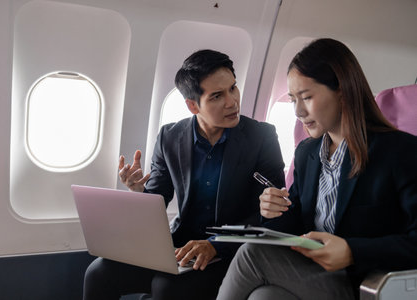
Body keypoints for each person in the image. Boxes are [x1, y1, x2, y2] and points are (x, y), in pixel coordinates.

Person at [216, 38, 417, 300]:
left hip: (368, 284)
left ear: (342, 90)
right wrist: (274, 211)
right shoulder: (307, 153)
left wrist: (351, 251)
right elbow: (297, 225)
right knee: (264, 297)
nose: (298, 111)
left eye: (307, 97)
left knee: (252, 254)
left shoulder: (399, 151)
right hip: (315, 275)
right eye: (292, 100)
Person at [83, 49, 286, 300]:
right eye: (217, 96)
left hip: (230, 251)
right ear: (192, 105)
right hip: (179, 246)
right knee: (98, 273)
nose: (232, 101)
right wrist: (138, 193)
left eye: (233, 88)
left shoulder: (262, 137)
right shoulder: (169, 137)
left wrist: (216, 244)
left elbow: (270, 215)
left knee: (167, 287)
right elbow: (156, 200)